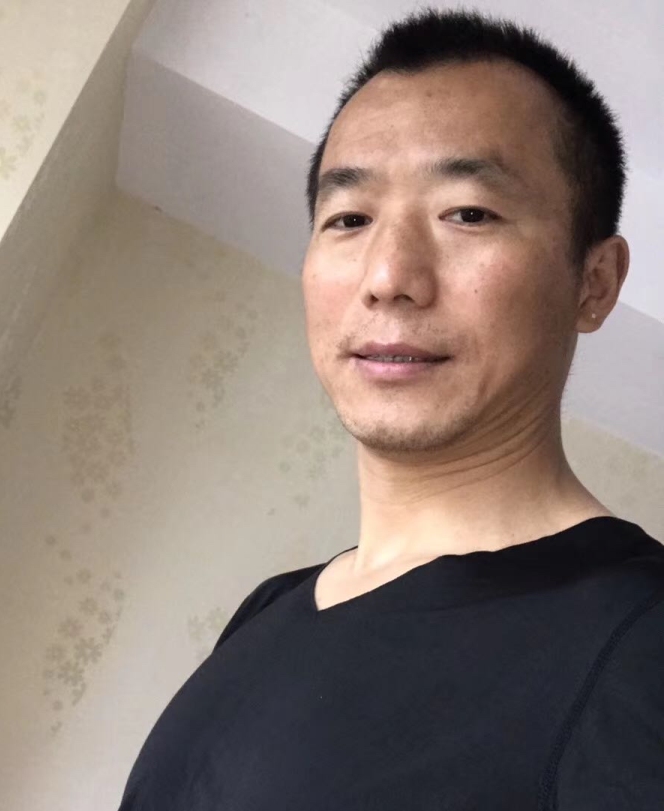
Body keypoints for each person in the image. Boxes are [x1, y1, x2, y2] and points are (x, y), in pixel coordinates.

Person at [117, 8, 664, 809]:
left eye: (468, 213)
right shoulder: (271, 608)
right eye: (349, 219)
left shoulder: (640, 640)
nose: (388, 276)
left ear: (595, 281)